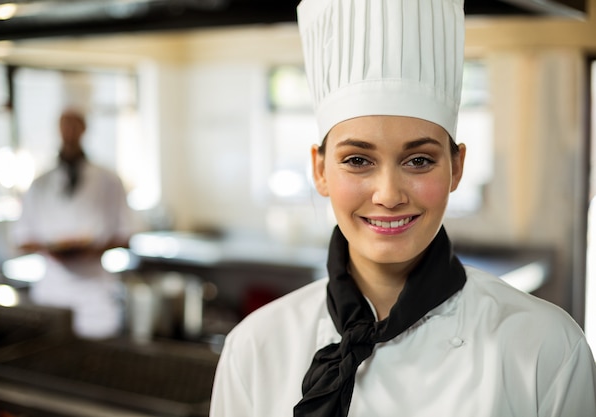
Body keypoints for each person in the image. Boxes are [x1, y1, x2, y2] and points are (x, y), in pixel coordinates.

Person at [209, 0, 596, 416]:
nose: (388, 194)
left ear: (456, 167)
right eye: (358, 160)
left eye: (419, 160)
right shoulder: (254, 348)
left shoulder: (546, 348)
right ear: (320, 170)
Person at [11, 109, 135, 340]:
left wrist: (93, 249)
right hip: (52, 289)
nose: (69, 132)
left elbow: (125, 234)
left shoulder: (108, 179)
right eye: (64, 125)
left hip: (95, 290)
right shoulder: (40, 183)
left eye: (74, 125)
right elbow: (21, 237)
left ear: (84, 129)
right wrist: (50, 249)